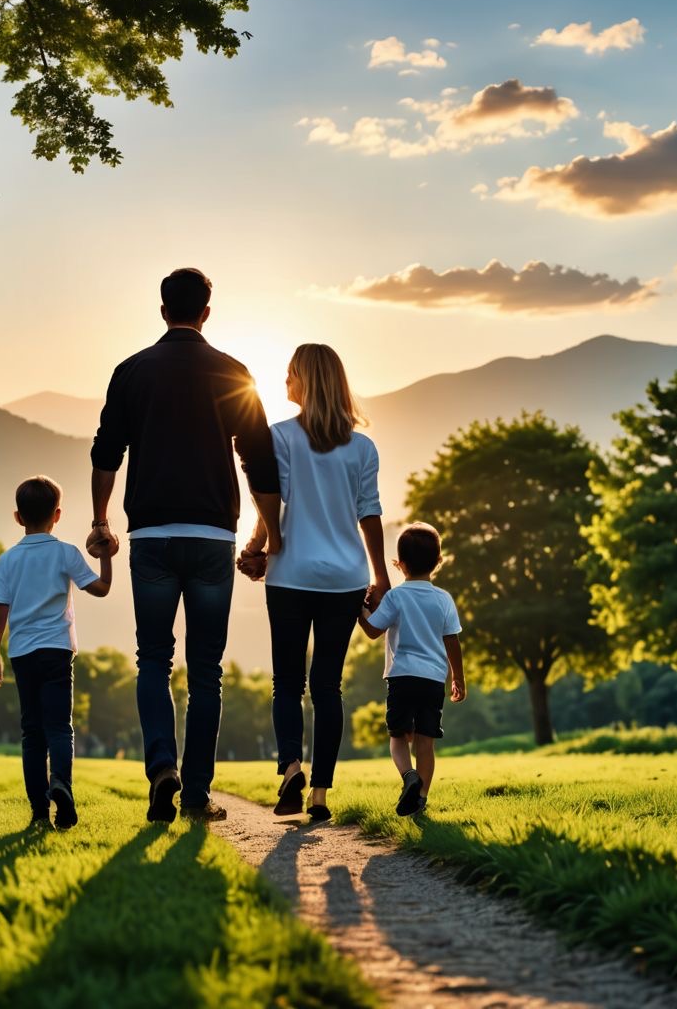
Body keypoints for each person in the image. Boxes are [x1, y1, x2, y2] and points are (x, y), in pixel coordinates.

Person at [89, 268, 281, 824]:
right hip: (212, 539)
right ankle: (196, 793)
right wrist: (265, 537)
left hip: (149, 535)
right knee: (206, 670)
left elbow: (107, 452)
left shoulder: (131, 371)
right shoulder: (233, 372)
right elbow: (261, 462)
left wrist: (102, 520)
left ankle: (160, 769)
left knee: (153, 659)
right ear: (206, 313)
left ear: (162, 309)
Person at [238, 344, 390, 821]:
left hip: (290, 574)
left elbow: (270, 503)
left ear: (307, 380)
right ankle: (320, 794)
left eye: (290, 375)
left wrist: (259, 548)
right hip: (345, 579)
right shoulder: (363, 447)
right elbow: (370, 514)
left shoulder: (279, 437)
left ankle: (289, 769)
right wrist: (381, 575)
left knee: (287, 682)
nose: (284, 382)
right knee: (327, 686)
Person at [0, 475, 113, 829]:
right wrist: (106, 557)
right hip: (57, 650)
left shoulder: (8, 560)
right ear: (56, 515)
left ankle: (40, 813)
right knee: (60, 727)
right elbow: (101, 589)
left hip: (23, 653)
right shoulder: (66, 553)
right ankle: (62, 784)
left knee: (32, 732)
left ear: (18, 517)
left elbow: (0, 607)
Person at [357, 522, 466, 816]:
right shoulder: (443, 599)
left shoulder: (396, 597)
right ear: (438, 561)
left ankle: (409, 776)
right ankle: (421, 798)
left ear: (399, 564)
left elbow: (372, 631)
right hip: (433, 680)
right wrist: (458, 678)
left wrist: (361, 609)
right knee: (426, 742)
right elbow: (452, 640)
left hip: (402, 677)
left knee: (397, 736)